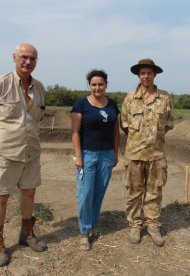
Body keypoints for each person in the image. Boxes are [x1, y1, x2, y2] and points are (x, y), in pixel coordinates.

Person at [0, 43, 47, 267]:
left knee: (29, 194)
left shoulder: (39, 88)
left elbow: (37, 118)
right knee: (1, 198)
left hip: (31, 152)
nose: (28, 62)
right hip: (6, 152)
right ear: (15, 57)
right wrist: (0, 136)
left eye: (33, 59)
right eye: (24, 57)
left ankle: (26, 234)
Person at [120, 58, 174, 247]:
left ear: (155, 75)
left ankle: (152, 226)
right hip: (134, 155)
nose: (146, 76)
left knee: (154, 193)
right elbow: (125, 126)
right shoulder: (129, 99)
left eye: (149, 73)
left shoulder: (165, 97)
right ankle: (135, 225)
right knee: (135, 192)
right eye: (142, 73)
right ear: (138, 75)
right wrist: (139, 141)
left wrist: (153, 139)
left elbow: (168, 124)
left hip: (156, 156)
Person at [71, 69, 120, 251]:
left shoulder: (112, 105)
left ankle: (93, 224)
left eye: (101, 84)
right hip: (87, 154)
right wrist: (78, 157)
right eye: (94, 84)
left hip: (106, 155)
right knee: (85, 194)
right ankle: (84, 232)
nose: (97, 87)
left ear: (106, 85)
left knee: (98, 192)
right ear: (89, 86)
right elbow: (75, 132)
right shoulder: (81, 104)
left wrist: (115, 154)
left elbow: (116, 131)